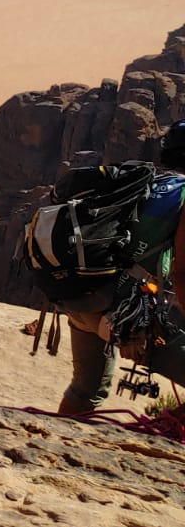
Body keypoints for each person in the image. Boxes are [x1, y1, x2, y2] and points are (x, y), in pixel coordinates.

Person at [55, 122, 185, 414]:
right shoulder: (182, 195)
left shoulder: (145, 184)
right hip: (120, 314)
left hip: (79, 295)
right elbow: (182, 274)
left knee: (85, 391)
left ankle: (43, 452)